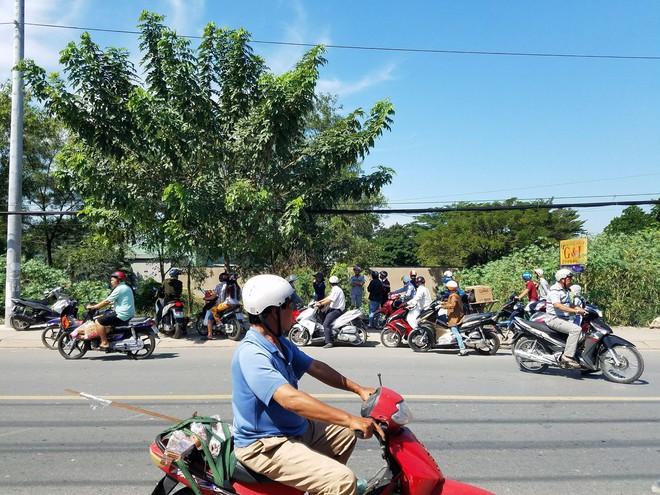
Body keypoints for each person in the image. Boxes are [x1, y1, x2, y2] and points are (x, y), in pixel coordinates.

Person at [231, 274, 383, 495]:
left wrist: (358, 388)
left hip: (294, 428)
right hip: (265, 444)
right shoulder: (252, 354)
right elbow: (290, 399)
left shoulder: (279, 342)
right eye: (289, 306)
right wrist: (349, 418)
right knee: (342, 482)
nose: (294, 311)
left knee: (346, 435)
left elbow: (315, 367)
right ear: (273, 312)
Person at [545, 269, 587, 369]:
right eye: (569, 278)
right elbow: (558, 305)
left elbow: (569, 304)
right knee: (576, 329)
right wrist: (576, 311)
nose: (571, 281)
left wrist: (580, 309)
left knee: (583, 332)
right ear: (562, 279)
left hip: (563, 319)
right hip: (554, 319)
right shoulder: (555, 290)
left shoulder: (565, 291)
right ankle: (567, 356)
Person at [85, 271, 135, 351]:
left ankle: (105, 342)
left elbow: (107, 301)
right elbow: (114, 301)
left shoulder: (120, 288)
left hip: (121, 314)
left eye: (112, 280)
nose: (111, 282)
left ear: (119, 280)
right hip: (126, 312)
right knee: (106, 317)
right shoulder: (126, 287)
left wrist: (94, 307)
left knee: (98, 321)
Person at [315, 275, 345, 349]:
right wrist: (319, 301)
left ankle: (329, 342)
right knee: (322, 314)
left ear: (330, 283)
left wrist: (320, 304)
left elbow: (329, 301)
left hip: (337, 310)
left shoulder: (336, 290)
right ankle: (327, 334)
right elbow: (328, 297)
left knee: (326, 324)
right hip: (334, 309)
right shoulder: (336, 289)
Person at [441, 281, 468, 356]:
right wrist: (442, 303)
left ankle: (462, 349)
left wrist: (443, 306)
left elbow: (452, 305)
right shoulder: (455, 295)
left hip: (455, 317)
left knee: (455, 332)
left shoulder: (453, 296)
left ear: (450, 288)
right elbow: (449, 303)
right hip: (456, 315)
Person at [204, 272, 229, 340]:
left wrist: (206, 298)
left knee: (210, 318)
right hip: (231, 304)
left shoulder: (219, 286)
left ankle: (209, 335)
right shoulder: (231, 285)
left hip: (221, 305)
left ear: (220, 279)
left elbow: (213, 297)